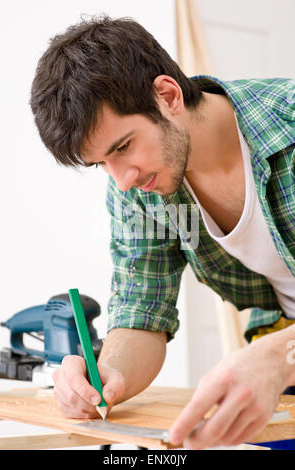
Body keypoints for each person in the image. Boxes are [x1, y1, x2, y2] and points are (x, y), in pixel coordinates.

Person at [30, 16, 295, 449]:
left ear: (168, 95)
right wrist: (111, 374)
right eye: (101, 163)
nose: (121, 179)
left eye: (122, 147)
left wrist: (279, 357)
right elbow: (141, 311)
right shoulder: (142, 189)